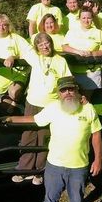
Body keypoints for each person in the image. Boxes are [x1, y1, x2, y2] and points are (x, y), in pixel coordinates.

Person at [5, 76, 102, 202]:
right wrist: (10, 119)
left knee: (77, 200)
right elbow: (34, 120)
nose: (67, 93)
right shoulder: (53, 108)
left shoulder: (88, 109)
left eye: (71, 89)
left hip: (79, 166)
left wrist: (98, 159)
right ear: (59, 93)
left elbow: (96, 135)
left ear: (77, 91)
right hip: (54, 165)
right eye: (63, 90)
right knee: (51, 200)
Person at [12, 33, 72, 185]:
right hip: (33, 102)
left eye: (47, 43)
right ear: (37, 47)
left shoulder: (61, 61)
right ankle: (24, 169)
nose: (45, 47)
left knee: (44, 137)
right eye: (41, 45)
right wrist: (10, 57)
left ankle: (39, 171)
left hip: (51, 105)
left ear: (51, 44)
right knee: (28, 135)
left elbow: (67, 81)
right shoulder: (35, 58)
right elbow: (19, 41)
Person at [62, 6, 102, 97]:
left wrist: (92, 53)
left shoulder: (99, 32)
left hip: (92, 72)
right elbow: (64, 46)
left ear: (92, 18)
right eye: (83, 18)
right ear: (79, 18)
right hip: (73, 71)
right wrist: (77, 51)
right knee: (73, 97)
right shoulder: (72, 31)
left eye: (89, 18)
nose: (86, 20)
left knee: (86, 100)